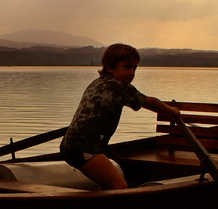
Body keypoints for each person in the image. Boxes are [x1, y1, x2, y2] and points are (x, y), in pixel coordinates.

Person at [60, 43, 181, 190]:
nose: (131, 72)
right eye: (127, 67)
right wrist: (172, 111)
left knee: (107, 184)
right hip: (83, 148)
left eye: (134, 68)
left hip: (72, 145)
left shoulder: (98, 83)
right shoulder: (119, 87)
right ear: (110, 67)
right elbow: (151, 102)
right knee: (119, 185)